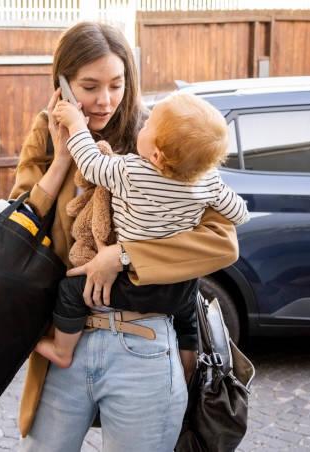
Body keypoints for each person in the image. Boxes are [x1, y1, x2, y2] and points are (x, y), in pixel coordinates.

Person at [11, 22, 239, 452]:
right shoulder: (45, 133)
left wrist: (124, 255)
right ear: (61, 83)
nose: (104, 100)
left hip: (144, 343)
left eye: (116, 84)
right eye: (89, 86)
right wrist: (62, 159)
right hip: (67, 342)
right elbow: (17, 226)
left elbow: (222, 241)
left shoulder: (159, 138)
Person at [34, 92, 249, 368]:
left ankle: (62, 352)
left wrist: (76, 124)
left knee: (70, 290)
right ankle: (188, 368)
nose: (143, 125)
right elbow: (239, 214)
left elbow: (91, 163)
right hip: (176, 285)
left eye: (148, 126)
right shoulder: (209, 184)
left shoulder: (131, 172)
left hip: (132, 281)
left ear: (157, 156)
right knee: (187, 316)